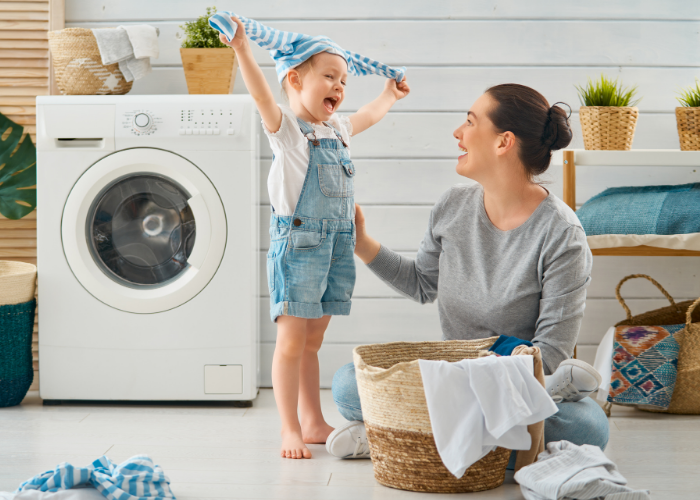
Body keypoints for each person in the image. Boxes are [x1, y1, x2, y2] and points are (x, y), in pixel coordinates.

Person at [326, 84, 609, 461]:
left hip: (516, 385)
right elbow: (423, 285)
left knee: (587, 426)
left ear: (503, 142)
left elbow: (552, 354)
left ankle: (397, 434)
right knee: (347, 383)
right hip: (455, 373)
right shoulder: (452, 206)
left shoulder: (562, 234)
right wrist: (362, 244)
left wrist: (491, 380)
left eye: (471, 122)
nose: (458, 132)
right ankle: (470, 439)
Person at [214, 14, 410, 459]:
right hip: (298, 250)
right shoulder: (287, 131)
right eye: (329, 77)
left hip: (336, 248)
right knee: (290, 342)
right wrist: (244, 49)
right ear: (295, 78)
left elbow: (368, 116)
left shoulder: (337, 130)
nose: (339, 88)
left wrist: (389, 94)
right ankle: (288, 428)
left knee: (313, 341)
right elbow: (262, 93)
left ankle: (313, 419)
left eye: (343, 80)